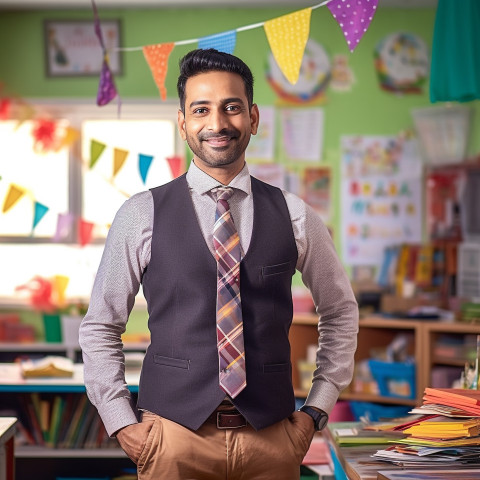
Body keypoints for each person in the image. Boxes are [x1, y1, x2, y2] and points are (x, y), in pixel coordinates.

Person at [79, 48, 358, 480]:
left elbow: (340, 312)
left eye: (232, 107)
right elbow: (100, 324)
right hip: (172, 440)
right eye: (201, 109)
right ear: (183, 122)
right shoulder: (141, 214)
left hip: (272, 439)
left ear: (253, 117)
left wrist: (316, 411)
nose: (217, 123)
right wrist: (121, 423)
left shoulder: (296, 214)